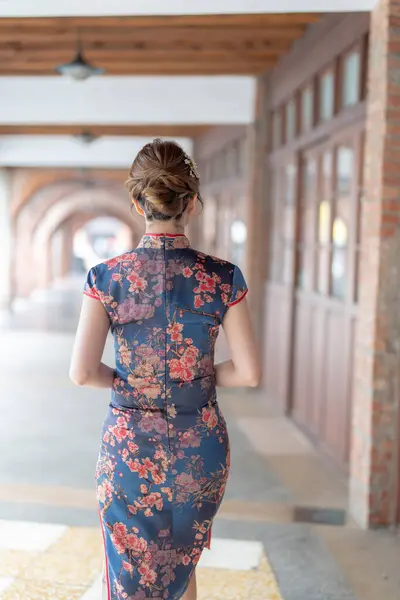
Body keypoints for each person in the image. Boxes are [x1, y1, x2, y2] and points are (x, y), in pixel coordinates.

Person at [70, 139, 261, 600]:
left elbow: (82, 372)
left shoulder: (106, 277)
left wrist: (135, 384)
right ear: (192, 202)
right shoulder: (223, 277)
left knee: (127, 566)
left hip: (130, 444)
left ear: (138, 202)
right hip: (202, 447)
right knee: (182, 561)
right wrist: (191, 380)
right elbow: (249, 373)